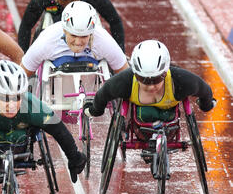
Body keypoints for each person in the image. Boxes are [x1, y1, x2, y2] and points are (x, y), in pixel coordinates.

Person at [83, 39, 216, 131]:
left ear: (165, 73)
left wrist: (206, 105)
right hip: (140, 122)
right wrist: (95, 110)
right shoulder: (125, 81)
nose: (151, 86)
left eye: (157, 79)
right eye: (145, 79)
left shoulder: (181, 80)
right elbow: (102, 95)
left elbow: (205, 90)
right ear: (135, 74)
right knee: (145, 113)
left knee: (165, 115)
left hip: (169, 119)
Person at [21, 0, 128, 77]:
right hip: (56, 87)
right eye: (73, 35)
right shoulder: (47, 39)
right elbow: (23, 74)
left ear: (91, 34)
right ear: (64, 30)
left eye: (84, 36)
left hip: (91, 84)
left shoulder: (103, 40)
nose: (78, 42)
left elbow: (125, 73)